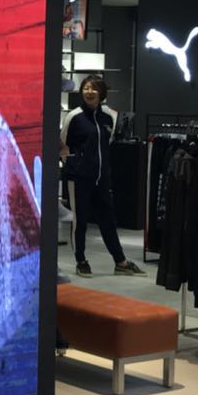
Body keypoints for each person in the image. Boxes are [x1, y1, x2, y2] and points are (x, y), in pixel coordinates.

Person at [61, 75, 141, 277]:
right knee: (80, 221)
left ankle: (120, 261)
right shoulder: (74, 116)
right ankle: (81, 260)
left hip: (101, 178)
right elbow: (63, 146)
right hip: (79, 177)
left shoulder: (109, 117)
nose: (89, 92)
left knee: (108, 219)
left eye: (94, 88)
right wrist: (75, 165)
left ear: (102, 93)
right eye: (86, 88)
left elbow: (107, 143)